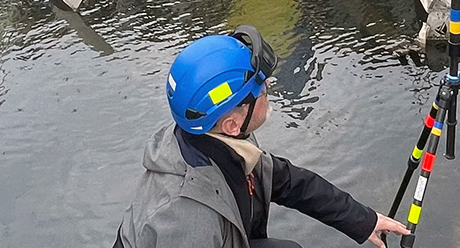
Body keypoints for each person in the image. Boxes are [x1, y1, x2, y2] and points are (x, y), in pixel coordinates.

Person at [116, 26, 410, 248]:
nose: (268, 85)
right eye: (262, 91)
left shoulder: (216, 140)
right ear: (232, 123)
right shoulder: (188, 216)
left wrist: (362, 220)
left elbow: (287, 181)